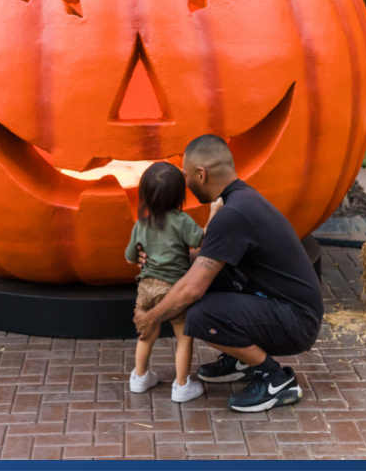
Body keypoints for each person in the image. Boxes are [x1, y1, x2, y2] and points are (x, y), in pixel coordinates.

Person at [133, 135, 323, 412]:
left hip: (296, 320)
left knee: (200, 314)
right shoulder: (241, 200)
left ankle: (276, 379)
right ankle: (241, 358)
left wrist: (152, 317)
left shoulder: (233, 214)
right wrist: (160, 259)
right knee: (191, 280)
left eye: (186, 176)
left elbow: (193, 288)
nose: (185, 184)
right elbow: (204, 260)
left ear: (201, 174)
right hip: (281, 305)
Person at [124, 162, 215, 403]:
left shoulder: (141, 224)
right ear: (179, 195)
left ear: (144, 195)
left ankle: (140, 378)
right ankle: (182, 385)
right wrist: (214, 215)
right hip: (174, 289)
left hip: (147, 288)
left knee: (146, 334)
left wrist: (142, 254)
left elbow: (131, 256)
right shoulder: (182, 221)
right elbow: (201, 242)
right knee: (184, 337)